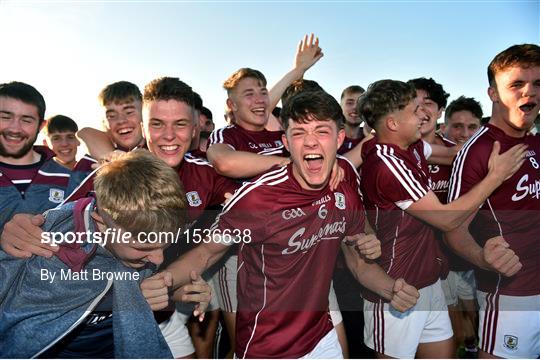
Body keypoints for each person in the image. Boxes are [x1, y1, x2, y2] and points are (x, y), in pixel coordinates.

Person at [145, 90, 420, 358]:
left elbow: (358, 262)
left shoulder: (344, 183)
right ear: (286, 143)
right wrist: (162, 282)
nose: (311, 143)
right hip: (267, 346)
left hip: (320, 335)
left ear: (339, 139)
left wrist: (389, 287)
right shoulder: (259, 198)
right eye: (299, 133)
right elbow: (206, 253)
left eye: (321, 131)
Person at [356, 79, 527, 358]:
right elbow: (446, 220)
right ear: (393, 124)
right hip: (398, 287)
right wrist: (495, 176)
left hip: (428, 280)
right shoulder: (388, 164)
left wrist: (497, 139)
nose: (424, 115)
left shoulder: (410, 147)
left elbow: (454, 155)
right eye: (415, 110)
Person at [0, 150, 209, 358]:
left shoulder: (144, 229)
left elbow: (146, 288)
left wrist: (175, 293)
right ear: (102, 223)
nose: (158, 258)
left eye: (165, 245)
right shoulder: (46, 246)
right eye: (143, 248)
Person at [446, 43, 540, 359]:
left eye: (538, 84)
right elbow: (453, 230)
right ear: (493, 94)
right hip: (514, 296)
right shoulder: (477, 151)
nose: (530, 92)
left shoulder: (537, 143)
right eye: (516, 84)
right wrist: (484, 259)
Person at [0, 82, 87, 235]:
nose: (14, 128)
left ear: (41, 126)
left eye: (26, 120)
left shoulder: (70, 179)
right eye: (5, 117)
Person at [77, 81, 145, 160]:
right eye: (111, 116)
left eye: (129, 112)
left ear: (144, 113)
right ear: (104, 122)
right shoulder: (90, 161)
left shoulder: (160, 151)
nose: (121, 120)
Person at [339, 85, 366, 154]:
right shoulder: (330, 138)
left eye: (360, 103)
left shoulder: (374, 139)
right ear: (340, 107)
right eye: (350, 103)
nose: (355, 107)